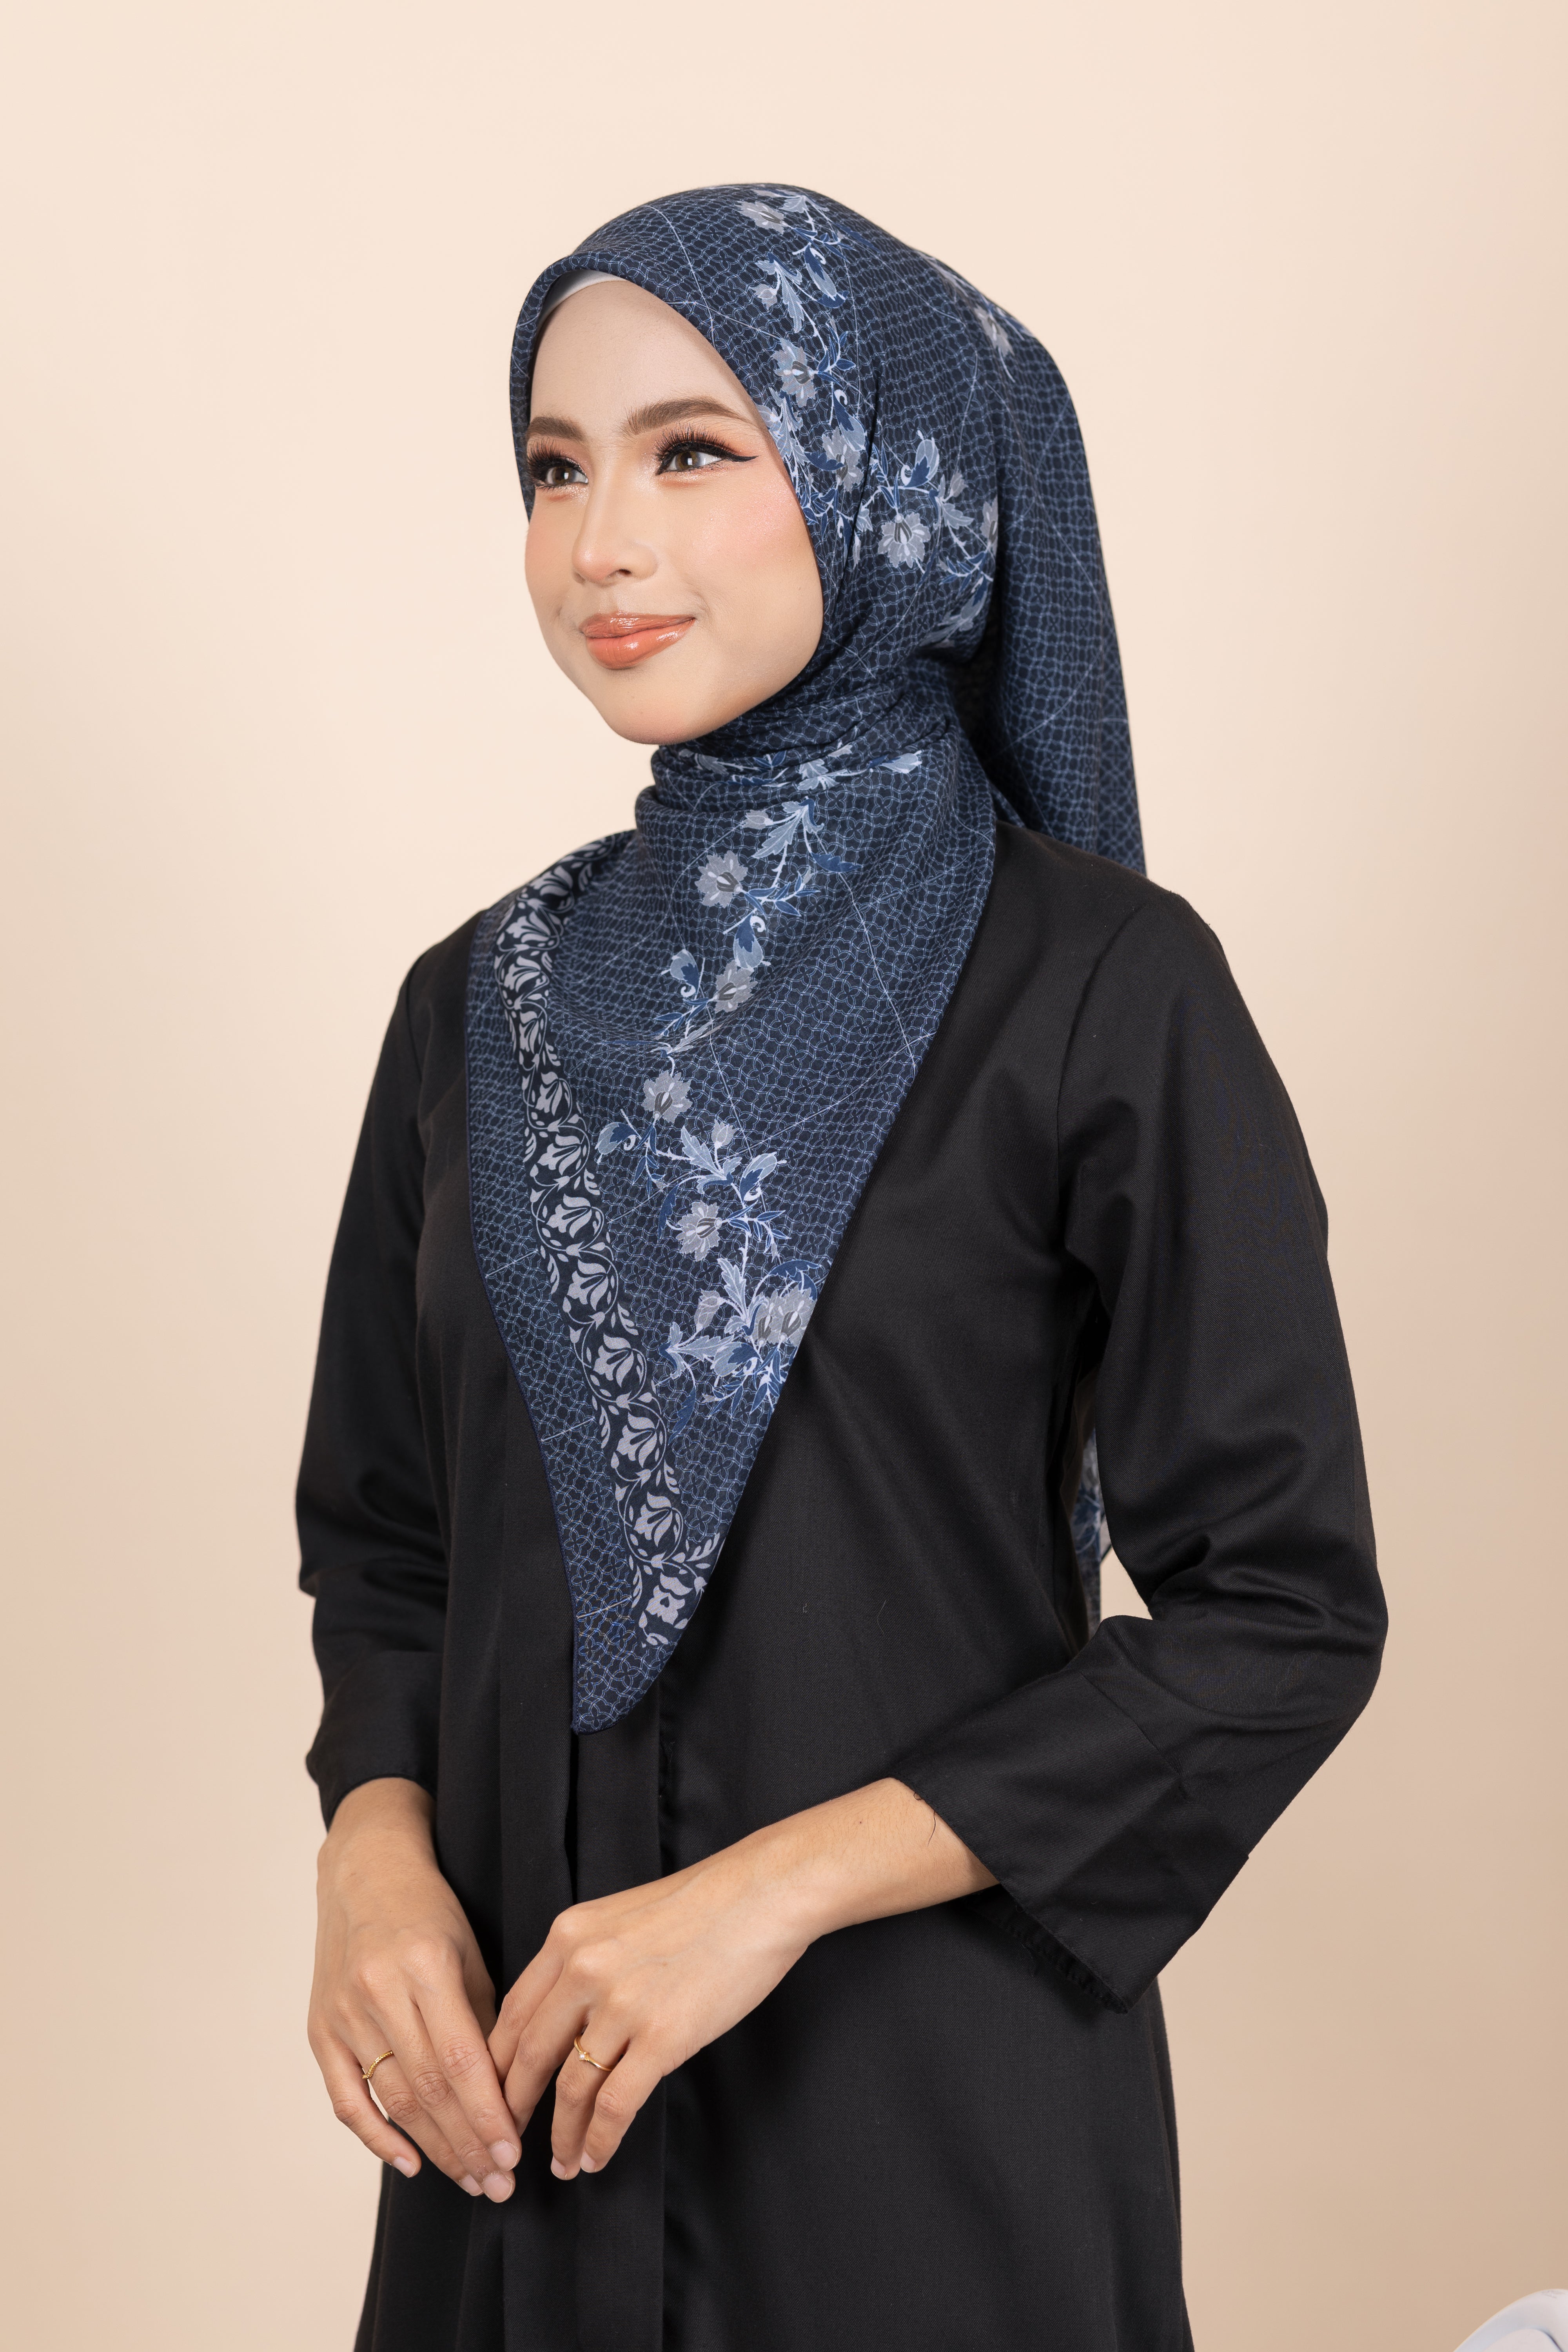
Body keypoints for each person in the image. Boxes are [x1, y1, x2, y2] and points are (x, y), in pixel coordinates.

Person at [299, 184, 1385, 2352]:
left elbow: (1281, 1613)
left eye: (693, 451)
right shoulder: (471, 1008)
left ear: (888, 474)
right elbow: (392, 1545)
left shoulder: (1099, 987)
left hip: (924, 2143)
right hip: (514, 2144)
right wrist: (372, 1857)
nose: (603, 544)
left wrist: (768, 1893)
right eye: (555, 468)